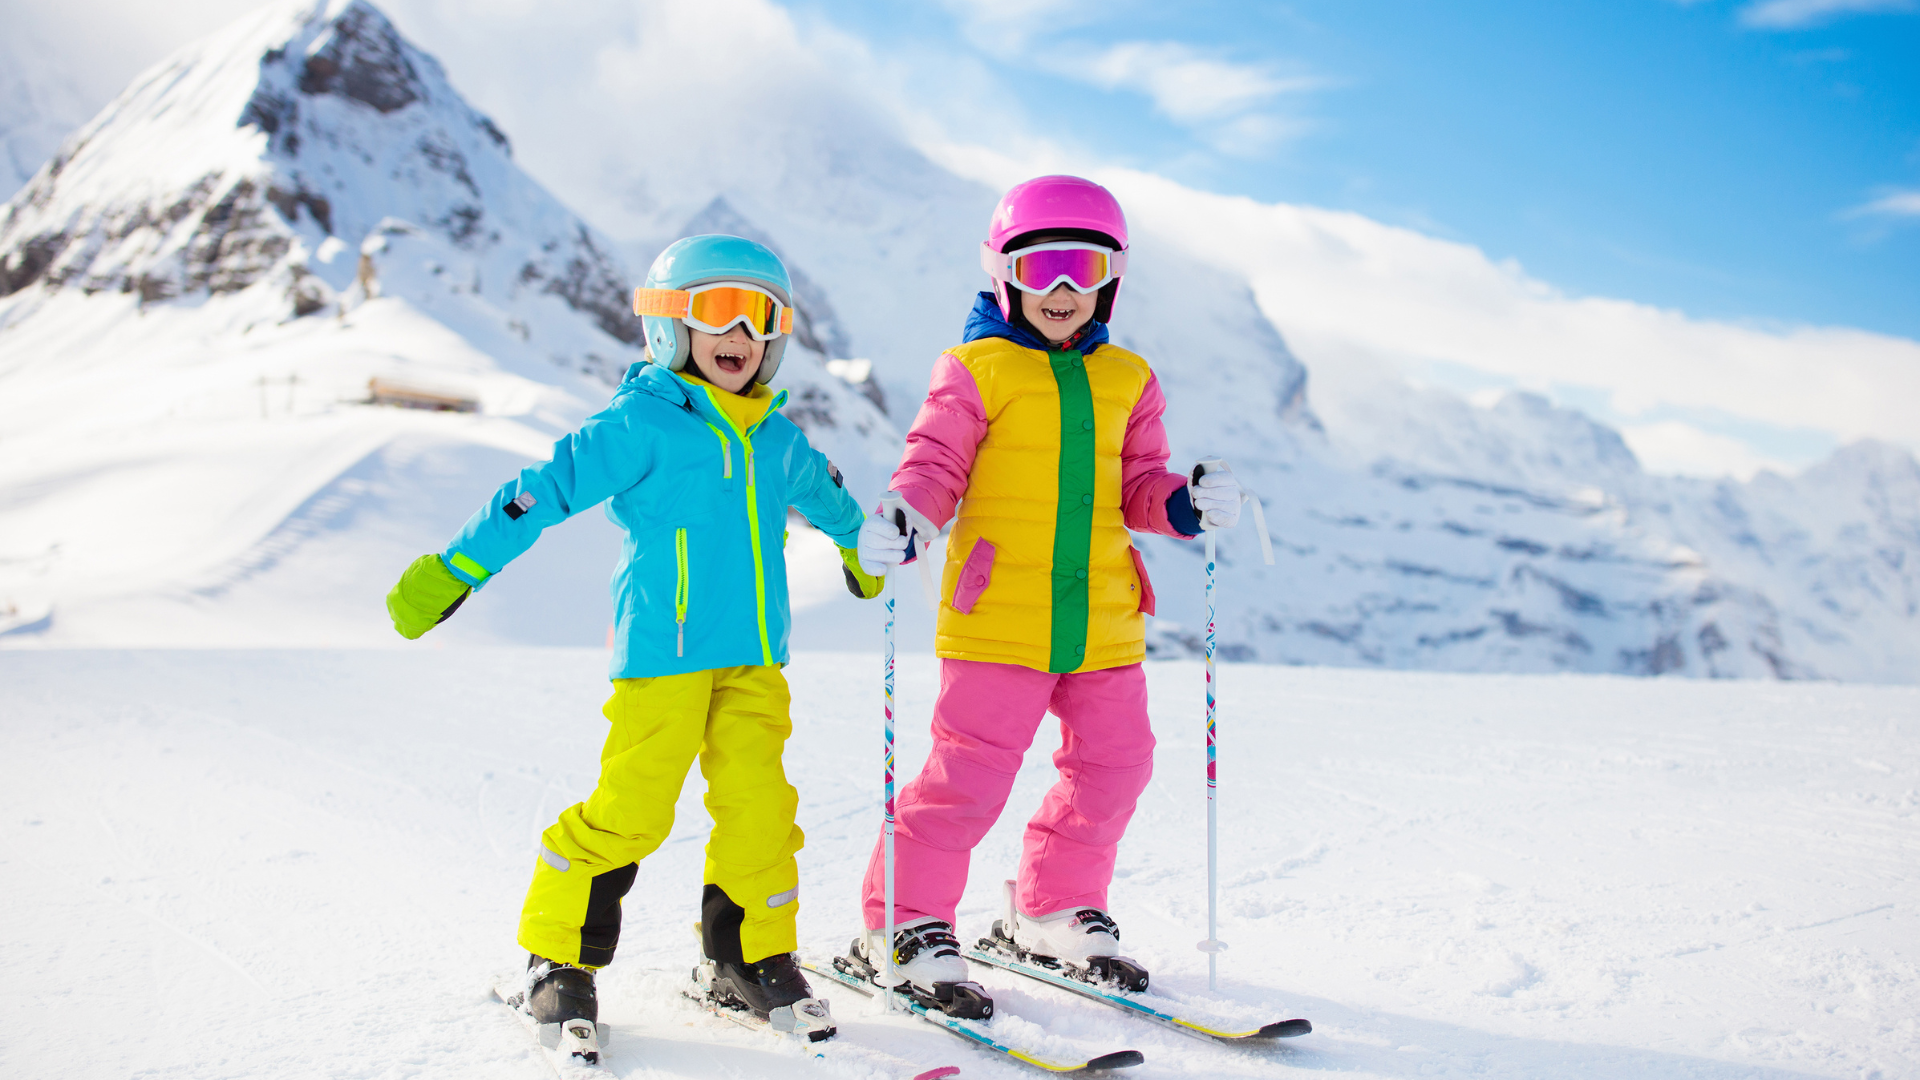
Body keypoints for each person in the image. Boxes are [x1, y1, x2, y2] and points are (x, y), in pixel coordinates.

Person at [384, 234, 882, 1046]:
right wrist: (454, 569)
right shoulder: (640, 424)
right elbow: (539, 494)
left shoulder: (777, 438)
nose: (740, 333)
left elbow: (835, 505)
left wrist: (867, 556)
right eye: (718, 311)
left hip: (755, 659)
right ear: (668, 327)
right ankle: (556, 959)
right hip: (665, 655)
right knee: (633, 811)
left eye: (761, 316)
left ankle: (745, 959)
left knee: (761, 811)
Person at [848, 175, 1248, 1011]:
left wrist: (1184, 502)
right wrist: (906, 518)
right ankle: (904, 922)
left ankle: (1051, 908)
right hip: (998, 619)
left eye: (1084, 267)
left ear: (1111, 277)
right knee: (966, 780)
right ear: (1003, 273)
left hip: (1103, 618)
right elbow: (934, 467)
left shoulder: (1130, 378)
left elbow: (1140, 484)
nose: (1062, 290)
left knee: (1116, 768)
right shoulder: (974, 370)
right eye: (1040, 269)